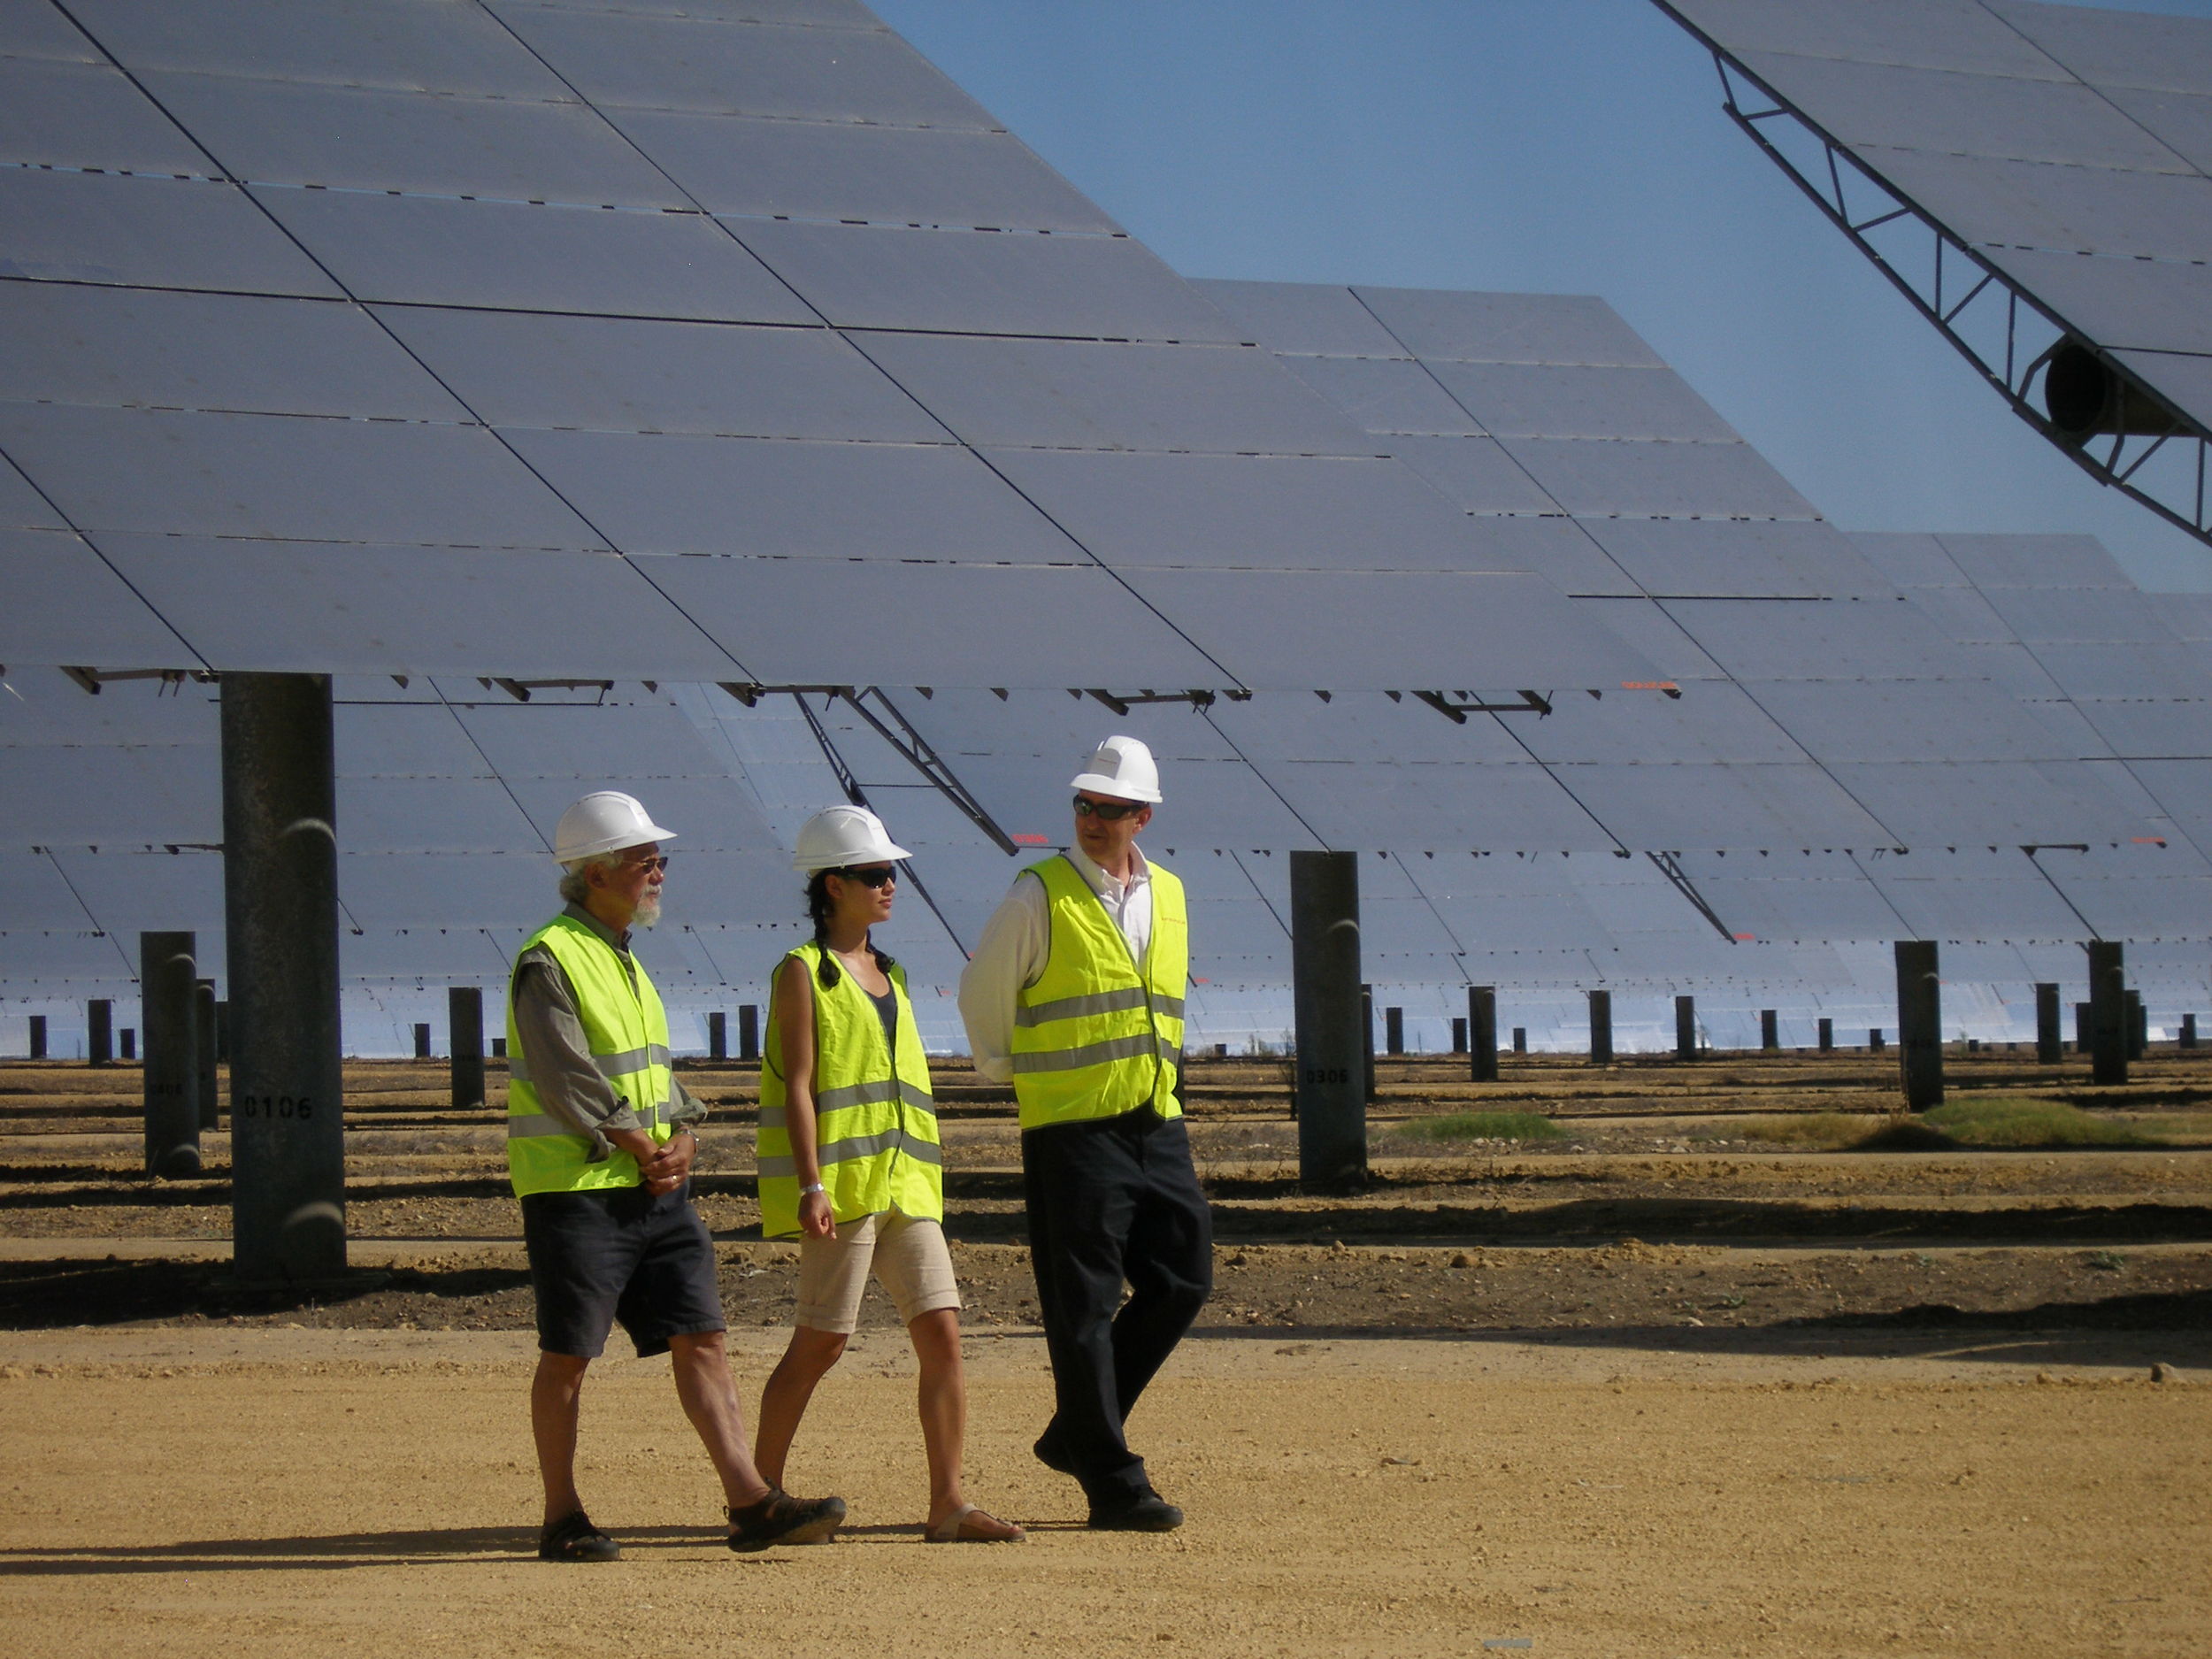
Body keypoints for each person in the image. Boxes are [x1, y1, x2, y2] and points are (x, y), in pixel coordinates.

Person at [508, 789, 847, 1561]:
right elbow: (565, 1075)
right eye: (643, 859)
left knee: (703, 1336)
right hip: (579, 1192)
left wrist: (684, 1138)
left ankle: (750, 1501)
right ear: (596, 872)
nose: (658, 870)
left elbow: (654, 1075)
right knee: (568, 1354)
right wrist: (637, 1144)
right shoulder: (550, 957)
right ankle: (562, 1516)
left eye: (658, 858)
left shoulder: (626, 958)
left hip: (656, 1188)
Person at [957, 736, 1211, 1532]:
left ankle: (1076, 1432)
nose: (1094, 820)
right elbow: (983, 993)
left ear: (1143, 815)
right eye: (1084, 806)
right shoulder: (1039, 893)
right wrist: (1015, 1074)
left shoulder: (1168, 892)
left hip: (1154, 1118)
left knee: (1184, 1277)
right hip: (1073, 1128)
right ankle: (1112, 1480)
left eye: (1110, 808)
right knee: (1085, 1307)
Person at [752, 805, 1024, 1544]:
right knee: (821, 1343)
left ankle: (949, 1502)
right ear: (833, 886)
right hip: (844, 1190)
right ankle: (758, 1495)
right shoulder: (803, 974)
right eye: (876, 875)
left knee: (943, 1337)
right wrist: (811, 1185)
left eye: (892, 873)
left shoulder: (893, 974)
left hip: (908, 1186)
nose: (890, 885)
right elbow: (799, 1086)